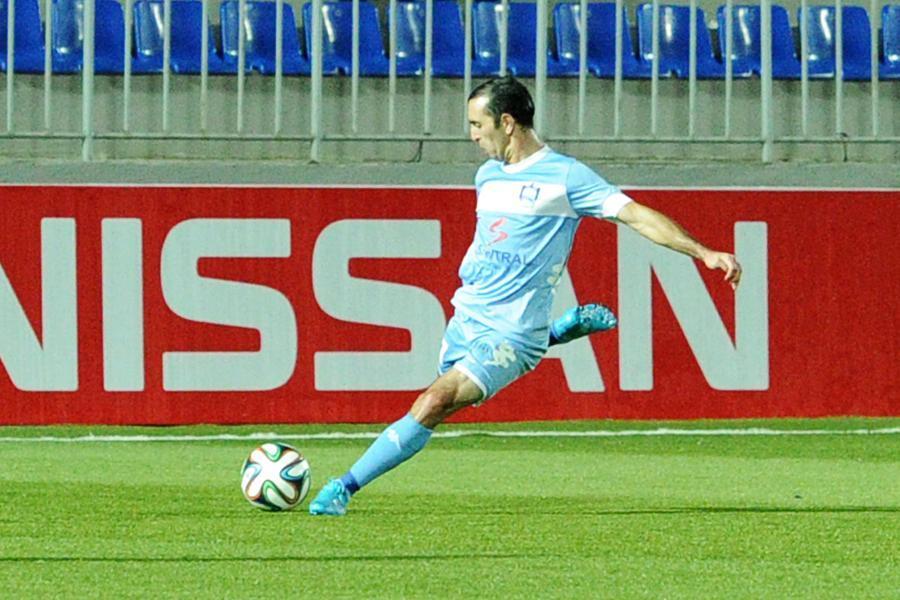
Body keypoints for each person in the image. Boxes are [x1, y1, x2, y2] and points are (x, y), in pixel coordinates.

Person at [309, 76, 742, 516]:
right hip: (467, 316)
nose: (472, 135)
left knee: (434, 401)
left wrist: (703, 252)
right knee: (444, 395)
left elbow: (635, 215)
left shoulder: (566, 177)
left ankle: (344, 487)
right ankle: (554, 333)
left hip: (512, 331)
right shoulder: (487, 176)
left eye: (477, 124)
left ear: (507, 122)